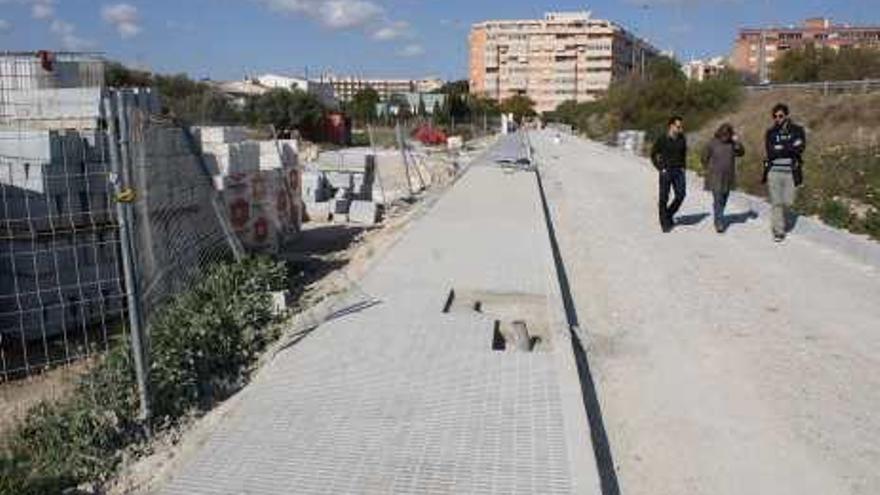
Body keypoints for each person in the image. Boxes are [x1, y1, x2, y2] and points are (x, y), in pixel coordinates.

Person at [764, 103, 806, 242]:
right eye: (775, 116)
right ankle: (778, 231)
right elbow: (771, 152)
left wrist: (781, 147)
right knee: (776, 202)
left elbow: (800, 148)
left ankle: (781, 221)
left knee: (788, 202)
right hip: (774, 171)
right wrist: (790, 146)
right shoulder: (770, 132)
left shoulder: (798, 130)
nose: (778, 118)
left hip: (791, 171)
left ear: (786, 115)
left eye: (780, 116)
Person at [701, 123, 745, 233]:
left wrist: (737, 141)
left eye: (728, 134)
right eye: (723, 133)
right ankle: (719, 223)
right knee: (718, 198)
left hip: (728, 176)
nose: (725, 136)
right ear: (720, 132)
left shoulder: (732, 144)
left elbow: (741, 152)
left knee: (724, 198)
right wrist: (707, 168)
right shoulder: (712, 143)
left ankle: (718, 213)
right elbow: (704, 157)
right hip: (715, 176)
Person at [651, 115, 687, 232]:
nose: (680, 129)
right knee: (664, 198)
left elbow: (683, 154)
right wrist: (660, 168)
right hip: (666, 171)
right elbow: (653, 154)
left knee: (681, 195)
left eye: (681, 126)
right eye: (678, 126)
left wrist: (683, 167)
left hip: (679, 171)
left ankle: (668, 214)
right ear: (671, 126)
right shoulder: (662, 139)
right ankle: (664, 223)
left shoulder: (682, 138)